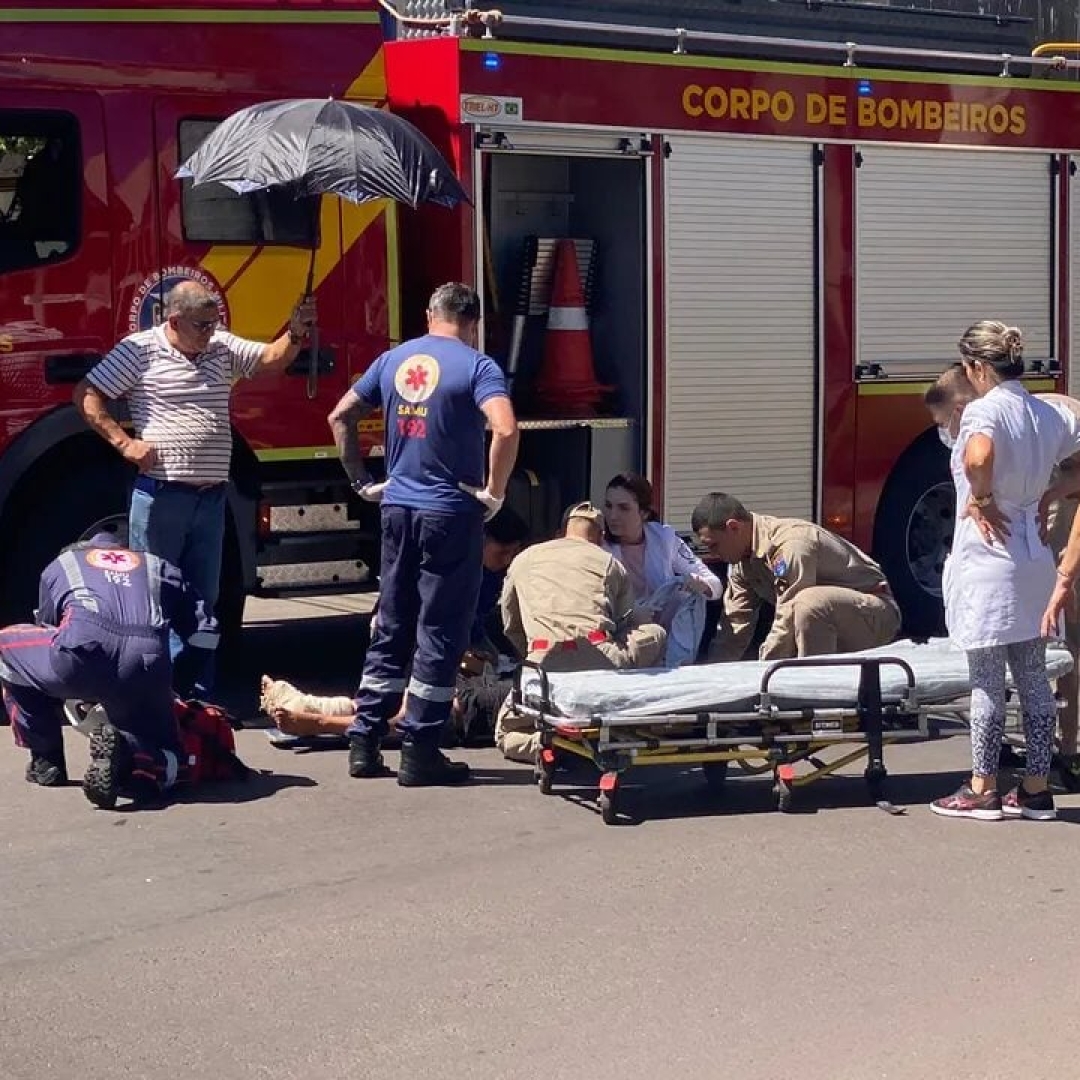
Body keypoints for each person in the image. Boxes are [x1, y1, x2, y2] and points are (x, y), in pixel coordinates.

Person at [73, 281, 316, 694]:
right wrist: (125, 443)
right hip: (163, 495)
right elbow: (86, 394)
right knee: (154, 598)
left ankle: (198, 695)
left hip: (210, 498)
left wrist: (295, 332)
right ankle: (158, 693)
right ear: (174, 320)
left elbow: (270, 360)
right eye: (201, 325)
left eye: (213, 323)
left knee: (204, 601)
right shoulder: (140, 349)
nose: (210, 331)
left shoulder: (219, 346)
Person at [326, 282, 519, 786]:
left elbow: (340, 415)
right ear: (472, 323)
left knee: (392, 620)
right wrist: (494, 492)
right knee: (440, 628)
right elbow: (505, 428)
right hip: (451, 513)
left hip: (397, 508)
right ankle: (420, 750)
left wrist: (360, 481)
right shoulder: (478, 367)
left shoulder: (394, 359)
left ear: (429, 312)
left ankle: (365, 742)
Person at [927, 321, 1080, 822]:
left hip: (990, 561)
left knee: (988, 683)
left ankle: (982, 787)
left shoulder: (984, 411)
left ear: (975, 367)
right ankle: (1036, 789)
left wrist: (984, 498)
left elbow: (979, 456)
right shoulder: (1044, 412)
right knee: (1035, 679)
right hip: (1035, 558)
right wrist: (1054, 494)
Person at [0, 533, 218, 809]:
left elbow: (49, 631)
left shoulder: (63, 564)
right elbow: (206, 633)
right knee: (175, 755)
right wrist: (178, 684)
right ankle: (141, 758)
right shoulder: (158, 566)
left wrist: (80, 689)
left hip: (82, 653)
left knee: (8, 651)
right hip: (147, 663)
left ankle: (47, 760)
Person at [495, 502, 667, 763]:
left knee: (505, 733)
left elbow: (510, 624)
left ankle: (548, 745)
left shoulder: (524, 559)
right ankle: (628, 717)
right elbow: (624, 624)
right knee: (655, 633)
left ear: (563, 531)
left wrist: (531, 655)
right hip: (600, 659)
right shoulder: (609, 562)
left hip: (543, 666)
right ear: (598, 536)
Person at [693, 492, 900, 661]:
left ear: (734, 527)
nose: (713, 554)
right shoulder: (741, 561)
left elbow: (787, 614)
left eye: (714, 545)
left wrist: (765, 671)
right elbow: (734, 626)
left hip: (875, 615)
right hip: (824, 624)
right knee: (805, 608)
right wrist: (713, 676)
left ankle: (815, 693)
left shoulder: (791, 544)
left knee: (808, 603)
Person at [602, 472, 722, 666]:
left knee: (690, 596)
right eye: (608, 506)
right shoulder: (598, 546)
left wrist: (699, 584)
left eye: (623, 508)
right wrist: (630, 616)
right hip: (621, 638)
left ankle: (678, 661)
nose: (613, 516)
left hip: (665, 636)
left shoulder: (665, 537)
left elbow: (714, 585)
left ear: (644, 513)